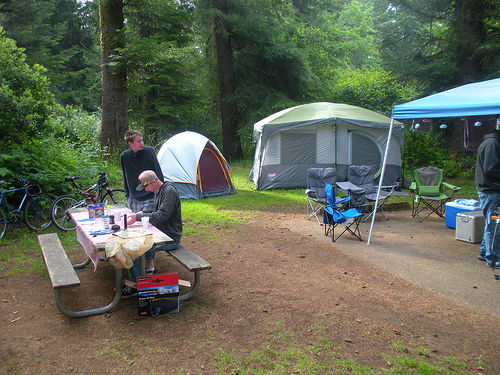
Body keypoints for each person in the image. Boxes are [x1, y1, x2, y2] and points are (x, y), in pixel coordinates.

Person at [122, 170, 182, 297]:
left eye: (147, 186)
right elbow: (155, 210)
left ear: (154, 182)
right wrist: (141, 212)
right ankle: (140, 281)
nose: (146, 190)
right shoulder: (158, 190)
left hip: (170, 237)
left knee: (134, 250)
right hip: (160, 234)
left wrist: (139, 217)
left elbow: (162, 215)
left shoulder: (169, 192)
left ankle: (138, 286)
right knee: (131, 245)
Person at [475, 116, 500, 269]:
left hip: (491, 191)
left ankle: (485, 252)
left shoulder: (493, 142)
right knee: (494, 225)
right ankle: (494, 259)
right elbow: (491, 169)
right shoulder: (492, 144)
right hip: (491, 192)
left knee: (492, 223)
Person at [120, 130, 164, 212]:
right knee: (135, 223)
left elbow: (158, 174)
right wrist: (128, 195)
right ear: (130, 143)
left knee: (147, 222)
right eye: (138, 141)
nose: (142, 143)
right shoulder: (124, 157)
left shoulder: (149, 152)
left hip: (150, 196)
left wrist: (159, 193)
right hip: (133, 198)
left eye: (142, 140)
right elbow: (125, 177)